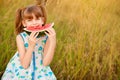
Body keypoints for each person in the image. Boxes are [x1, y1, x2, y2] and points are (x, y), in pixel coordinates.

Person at [1, 4, 56, 80]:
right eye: (29, 20)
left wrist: (53, 41)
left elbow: (45, 63)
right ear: (24, 23)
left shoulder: (46, 37)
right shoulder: (21, 37)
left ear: (42, 20)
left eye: (37, 19)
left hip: (40, 70)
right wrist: (31, 46)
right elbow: (24, 65)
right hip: (22, 70)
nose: (34, 23)